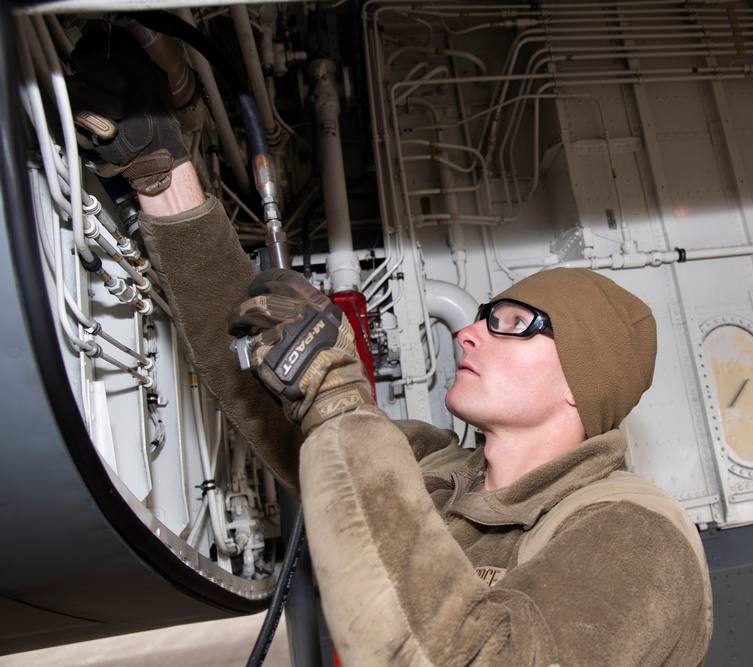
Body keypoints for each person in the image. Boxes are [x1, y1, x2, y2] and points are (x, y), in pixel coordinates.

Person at [69, 27, 713, 666]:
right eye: (481, 316)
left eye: (512, 321)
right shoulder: (436, 470)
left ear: (581, 381)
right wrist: (164, 180)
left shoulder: (632, 531)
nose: (467, 331)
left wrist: (338, 394)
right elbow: (280, 407)